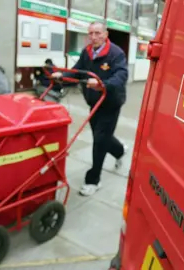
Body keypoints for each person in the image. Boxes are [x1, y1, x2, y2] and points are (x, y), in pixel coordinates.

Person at [51, 21, 128, 196]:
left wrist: (102, 85)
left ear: (105, 34)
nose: (94, 37)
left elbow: (121, 76)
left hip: (110, 103)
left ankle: (93, 180)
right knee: (101, 137)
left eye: (97, 33)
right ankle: (120, 151)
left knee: (100, 140)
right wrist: (62, 75)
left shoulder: (116, 54)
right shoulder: (87, 52)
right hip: (94, 102)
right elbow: (78, 70)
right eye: (91, 33)